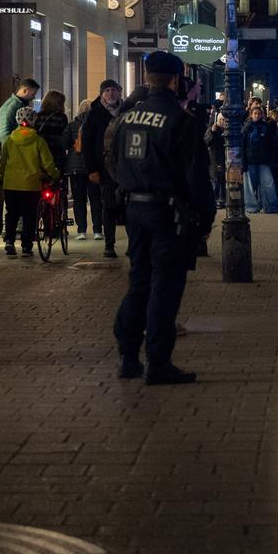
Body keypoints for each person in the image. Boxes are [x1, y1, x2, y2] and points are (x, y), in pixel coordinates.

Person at [110, 51, 216, 385]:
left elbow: (112, 160)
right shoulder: (180, 121)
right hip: (168, 212)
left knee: (139, 281)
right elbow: (197, 176)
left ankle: (128, 355)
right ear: (175, 79)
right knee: (165, 286)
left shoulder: (126, 119)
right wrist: (204, 219)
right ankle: (158, 361)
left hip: (134, 208)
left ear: (146, 78)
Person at [0, 105, 60, 258]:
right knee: (29, 215)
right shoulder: (38, 141)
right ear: (34, 121)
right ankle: (26, 246)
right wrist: (55, 175)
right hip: (31, 184)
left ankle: (10, 242)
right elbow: (47, 162)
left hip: (11, 184)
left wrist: (1, 177)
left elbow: (3, 161)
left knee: (12, 213)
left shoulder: (9, 140)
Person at [83, 79, 123, 257]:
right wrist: (92, 169)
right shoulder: (94, 114)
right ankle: (109, 244)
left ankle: (133, 245)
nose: (111, 93)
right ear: (101, 94)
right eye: (107, 90)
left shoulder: (126, 111)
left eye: (114, 90)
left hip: (125, 167)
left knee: (127, 205)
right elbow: (87, 143)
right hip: (104, 167)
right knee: (108, 205)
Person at [62, 100, 102, 240]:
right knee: (96, 199)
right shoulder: (96, 125)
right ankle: (97, 230)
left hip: (76, 167)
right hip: (93, 167)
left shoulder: (71, 126)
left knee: (79, 200)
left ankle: (81, 231)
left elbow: (64, 144)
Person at [240, 103, 278, 214]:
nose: (257, 115)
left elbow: (271, 145)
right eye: (255, 113)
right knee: (251, 186)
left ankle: (270, 206)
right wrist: (243, 162)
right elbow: (242, 146)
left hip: (263, 160)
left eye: (259, 113)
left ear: (262, 115)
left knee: (268, 183)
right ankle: (251, 207)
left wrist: (272, 160)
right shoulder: (247, 128)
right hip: (251, 161)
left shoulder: (265, 126)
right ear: (251, 114)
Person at [32, 90, 69, 170]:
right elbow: (65, 138)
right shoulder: (62, 117)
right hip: (57, 157)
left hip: (40, 157)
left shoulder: (36, 117)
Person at [0, 79, 40, 144]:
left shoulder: (20, 105)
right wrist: (13, 149)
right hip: (15, 150)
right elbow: (4, 133)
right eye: (33, 94)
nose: (34, 97)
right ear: (24, 90)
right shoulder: (11, 106)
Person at [204, 109, 227, 208]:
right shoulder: (212, 129)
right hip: (215, 158)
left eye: (224, 120)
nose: (223, 121)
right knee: (216, 181)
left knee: (222, 181)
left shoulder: (226, 129)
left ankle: (221, 200)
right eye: (221, 119)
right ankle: (215, 200)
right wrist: (212, 132)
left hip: (223, 158)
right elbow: (207, 142)